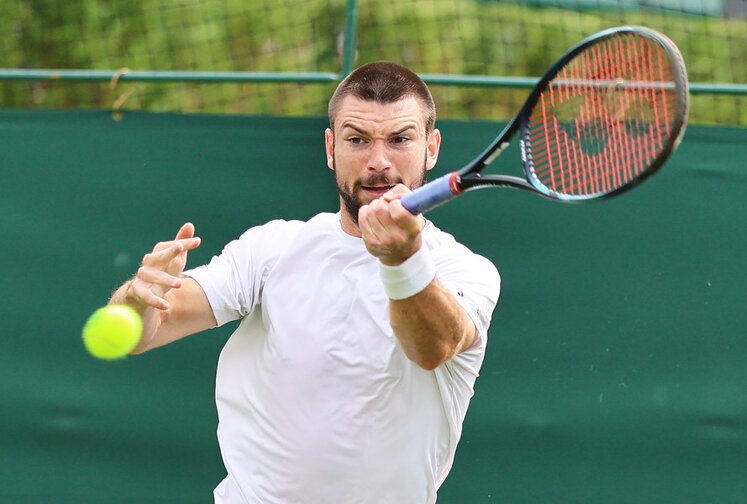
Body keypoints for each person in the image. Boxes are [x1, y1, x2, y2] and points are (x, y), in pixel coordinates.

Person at [109, 61, 500, 504]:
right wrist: (137, 297)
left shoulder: (466, 271)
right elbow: (146, 331)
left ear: (431, 148)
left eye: (399, 140)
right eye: (357, 140)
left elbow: (432, 347)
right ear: (331, 148)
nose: (378, 162)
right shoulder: (271, 248)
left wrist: (401, 259)